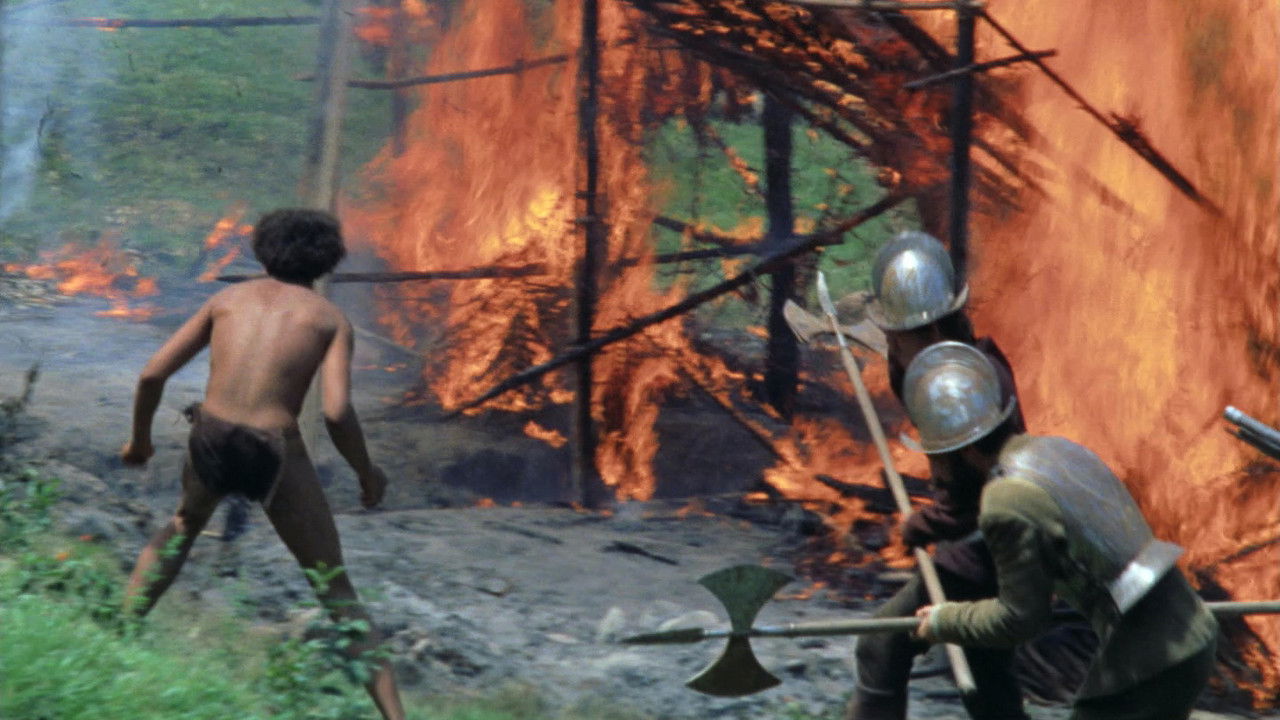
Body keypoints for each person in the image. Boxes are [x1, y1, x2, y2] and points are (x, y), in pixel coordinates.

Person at [120, 207, 406, 720]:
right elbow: (336, 412)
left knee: (183, 525)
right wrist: (367, 472)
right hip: (273, 448)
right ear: (328, 261)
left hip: (212, 434)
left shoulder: (226, 300)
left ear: (261, 250)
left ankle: (120, 633)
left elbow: (150, 376)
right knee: (333, 585)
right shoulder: (329, 319)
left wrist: (140, 442)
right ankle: (394, 715)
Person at [904, 341, 1218, 720]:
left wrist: (944, 621)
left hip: (1152, 660)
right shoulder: (1056, 450)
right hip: (1192, 631)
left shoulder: (1005, 499)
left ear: (964, 453)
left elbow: (1019, 619)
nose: (934, 471)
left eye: (936, 457)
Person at [845, 231, 1029, 720]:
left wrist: (921, 525)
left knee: (881, 644)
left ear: (931, 332)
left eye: (897, 336)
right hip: (989, 543)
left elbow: (978, 498)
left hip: (984, 547)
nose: (892, 343)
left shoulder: (961, 390)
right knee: (988, 675)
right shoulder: (950, 368)